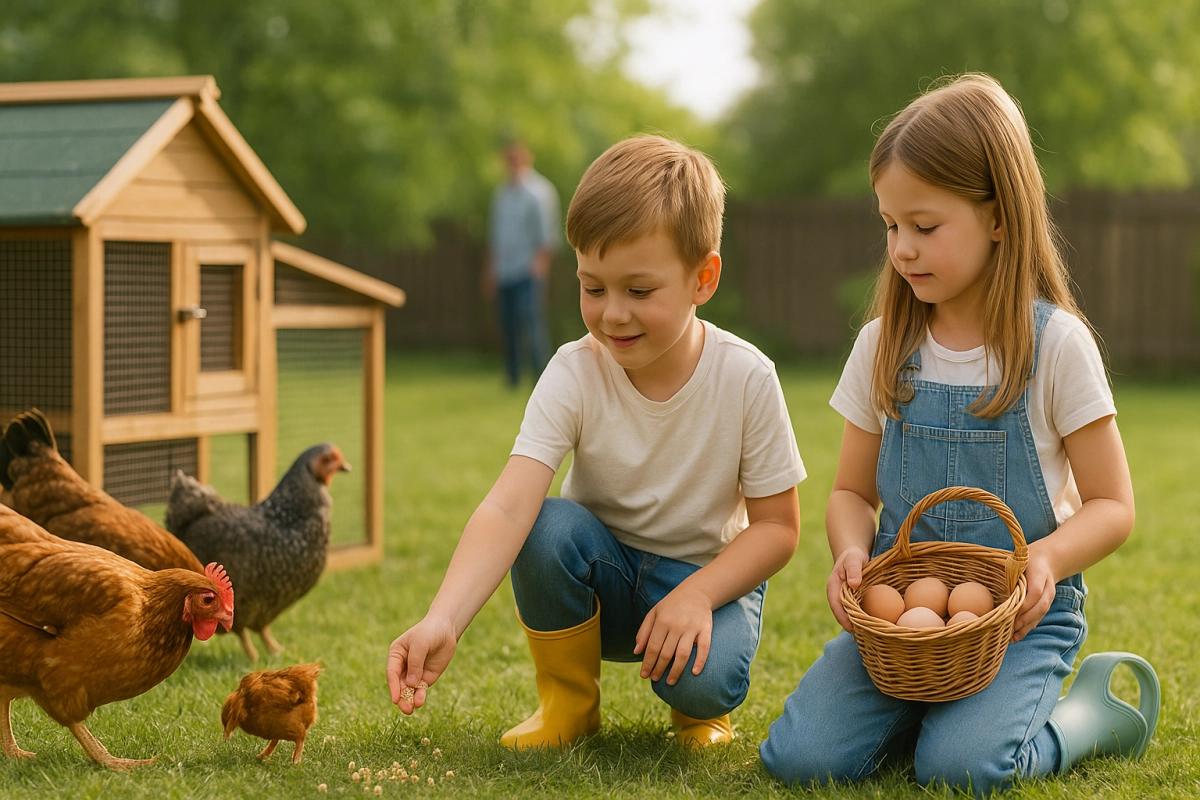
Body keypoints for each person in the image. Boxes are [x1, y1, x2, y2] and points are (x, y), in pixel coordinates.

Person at [760, 74, 1149, 796]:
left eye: (925, 226)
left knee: (964, 771)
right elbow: (849, 489)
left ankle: (1086, 716)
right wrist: (851, 552)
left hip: (1019, 621)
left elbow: (1113, 506)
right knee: (800, 759)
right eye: (890, 225)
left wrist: (1046, 559)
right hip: (899, 631)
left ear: (998, 218)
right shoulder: (883, 345)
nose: (902, 249)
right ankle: (923, 706)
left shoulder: (1056, 347)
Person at [387, 134, 806, 749]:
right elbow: (509, 506)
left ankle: (699, 714)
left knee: (705, 681)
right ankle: (568, 706)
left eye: (639, 291)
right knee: (545, 524)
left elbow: (778, 529)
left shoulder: (747, 377)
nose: (612, 314)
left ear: (703, 278)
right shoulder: (574, 370)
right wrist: (443, 617)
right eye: (593, 287)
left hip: (703, 580)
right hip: (601, 575)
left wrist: (696, 594)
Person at [484, 139, 560, 387]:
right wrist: (491, 271)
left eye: (517, 158)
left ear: (527, 158)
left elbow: (546, 236)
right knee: (508, 326)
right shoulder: (501, 194)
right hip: (504, 270)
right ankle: (512, 377)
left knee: (531, 323)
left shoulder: (540, 192)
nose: (513, 163)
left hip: (528, 270)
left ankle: (542, 377)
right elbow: (496, 237)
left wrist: (540, 268)